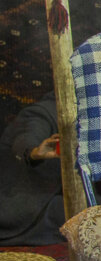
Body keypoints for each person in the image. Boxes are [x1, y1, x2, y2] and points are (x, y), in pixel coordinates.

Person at [0, 93, 66, 245]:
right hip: (26, 200)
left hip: (55, 192)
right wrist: (34, 152)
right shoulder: (42, 112)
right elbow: (25, 138)